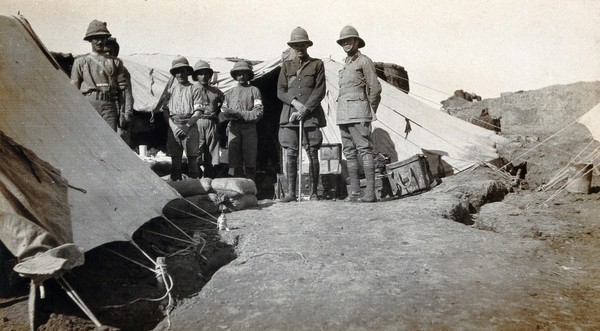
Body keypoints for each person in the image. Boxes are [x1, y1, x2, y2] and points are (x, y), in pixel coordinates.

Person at [277, 27, 327, 202]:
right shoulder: (286, 66)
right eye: (295, 45)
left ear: (307, 45)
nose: (299, 47)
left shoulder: (317, 64)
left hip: (311, 116)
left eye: (302, 44)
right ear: (292, 46)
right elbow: (280, 91)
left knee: (312, 151)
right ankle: (291, 192)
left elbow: (320, 90)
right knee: (291, 152)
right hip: (290, 116)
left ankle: (314, 192)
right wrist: (295, 103)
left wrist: (305, 108)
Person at [336, 26, 382, 203]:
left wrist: (368, 109)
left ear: (356, 42)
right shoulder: (346, 63)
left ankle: (370, 193)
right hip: (343, 114)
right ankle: (355, 192)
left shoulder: (364, 61)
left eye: (349, 40)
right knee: (349, 151)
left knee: (364, 149)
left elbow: (375, 88)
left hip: (359, 113)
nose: (346, 44)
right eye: (343, 42)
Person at [70, 20, 127, 132]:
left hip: (109, 106)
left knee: (110, 139)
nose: (100, 41)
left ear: (106, 39)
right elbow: (73, 90)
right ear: (90, 40)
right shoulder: (81, 62)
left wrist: (122, 112)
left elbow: (122, 89)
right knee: (89, 139)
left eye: (102, 38)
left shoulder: (116, 62)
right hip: (88, 105)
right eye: (96, 38)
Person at [220, 61, 264, 181]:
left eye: (244, 74)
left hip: (249, 129)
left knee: (250, 161)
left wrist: (239, 114)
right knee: (234, 162)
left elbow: (258, 112)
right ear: (235, 76)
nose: (241, 77)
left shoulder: (254, 90)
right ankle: (238, 192)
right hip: (233, 129)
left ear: (249, 75)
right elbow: (224, 111)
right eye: (238, 74)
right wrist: (227, 114)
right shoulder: (229, 93)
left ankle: (250, 191)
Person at [162, 56, 203, 181]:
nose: (180, 74)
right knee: (175, 161)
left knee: (192, 160)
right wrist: (173, 127)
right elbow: (165, 111)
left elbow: (198, 111)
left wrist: (186, 126)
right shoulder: (170, 91)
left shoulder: (195, 88)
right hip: (174, 126)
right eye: (177, 72)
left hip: (189, 126)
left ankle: (195, 190)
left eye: (182, 71)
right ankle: (178, 191)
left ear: (188, 72)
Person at [191, 60, 224, 179]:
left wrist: (218, 119)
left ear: (210, 75)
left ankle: (210, 182)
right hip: (196, 122)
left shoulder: (216, 92)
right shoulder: (191, 90)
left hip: (211, 123)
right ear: (196, 76)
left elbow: (224, 107)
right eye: (200, 74)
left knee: (211, 155)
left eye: (206, 73)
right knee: (196, 154)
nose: (204, 76)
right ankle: (196, 183)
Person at [104, 37, 134, 147]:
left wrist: (127, 115)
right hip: (103, 109)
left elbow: (127, 94)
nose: (107, 54)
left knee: (119, 143)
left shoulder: (122, 70)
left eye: (110, 52)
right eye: (105, 51)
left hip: (118, 110)